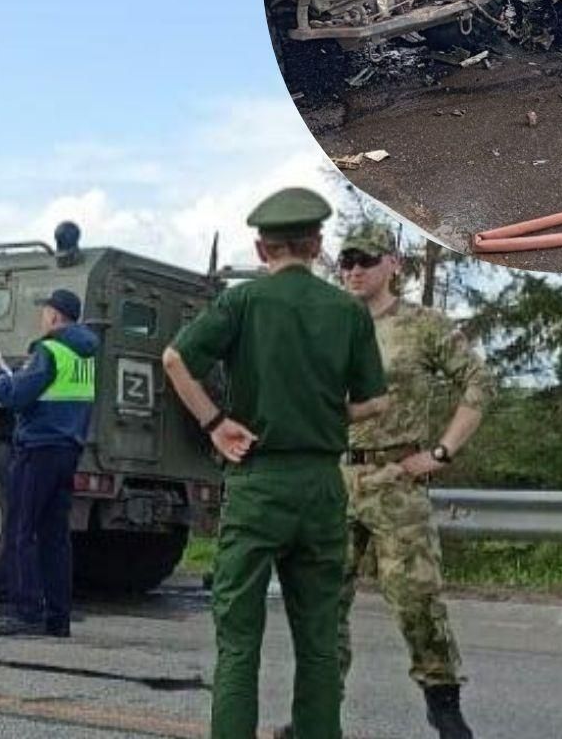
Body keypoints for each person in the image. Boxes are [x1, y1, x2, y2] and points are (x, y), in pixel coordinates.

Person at [160, 187, 390, 739]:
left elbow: (175, 358)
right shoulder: (346, 311)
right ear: (317, 245)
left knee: (239, 643)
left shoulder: (241, 303)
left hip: (258, 482)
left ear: (263, 251)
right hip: (320, 487)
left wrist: (216, 425)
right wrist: (325, 415)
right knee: (318, 642)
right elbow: (376, 401)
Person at [335, 223, 491, 739]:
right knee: (319, 603)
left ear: (393, 264)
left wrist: (442, 452)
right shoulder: (327, 325)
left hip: (396, 480)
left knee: (416, 600)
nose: (355, 269)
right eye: (347, 260)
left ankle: (444, 708)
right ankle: (317, 713)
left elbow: (477, 382)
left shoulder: (422, 325)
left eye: (366, 259)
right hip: (334, 479)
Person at [0, 287, 97, 638]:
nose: (41, 317)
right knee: (55, 537)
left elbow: (16, 396)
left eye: (44, 311)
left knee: (21, 531)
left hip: (38, 448)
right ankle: (57, 617)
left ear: (54, 316)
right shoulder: (85, 354)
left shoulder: (48, 350)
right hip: (68, 448)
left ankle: (25, 611)